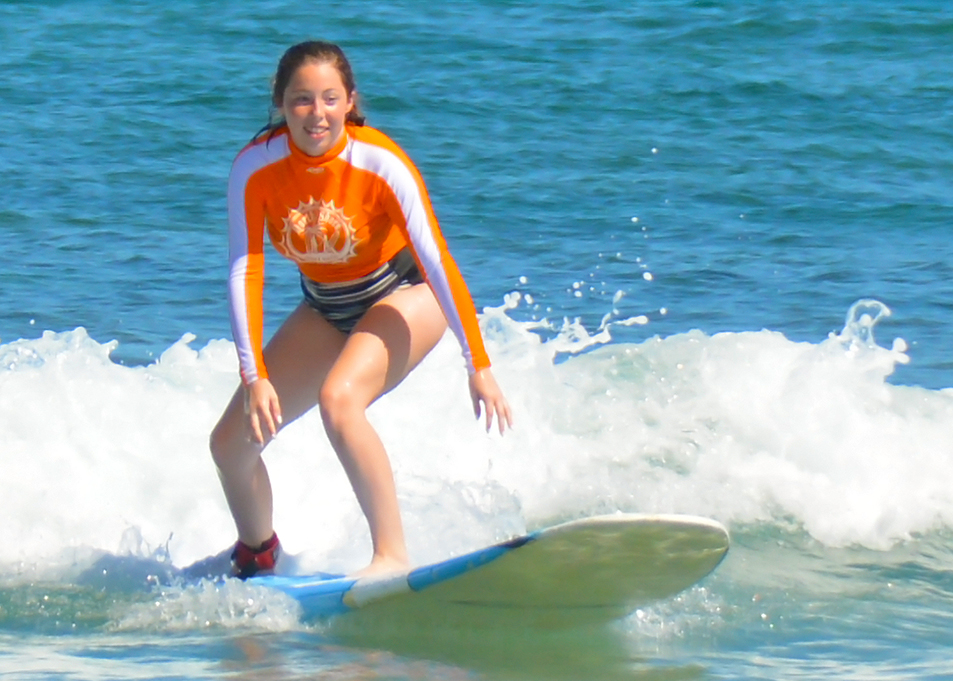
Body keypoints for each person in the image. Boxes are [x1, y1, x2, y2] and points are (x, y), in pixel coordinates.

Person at [209, 40, 512, 579]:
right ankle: (258, 556)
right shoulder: (254, 168)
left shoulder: (379, 161)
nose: (316, 113)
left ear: (349, 100)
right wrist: (254, 374)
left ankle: (391, 557)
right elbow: (245, 270)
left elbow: (437, 261)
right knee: (232, 444)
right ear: (280, 103)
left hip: (405, 294)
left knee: (339, 400)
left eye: (329, 98)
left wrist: (478, 364)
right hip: (326, 307)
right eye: (302, 99)